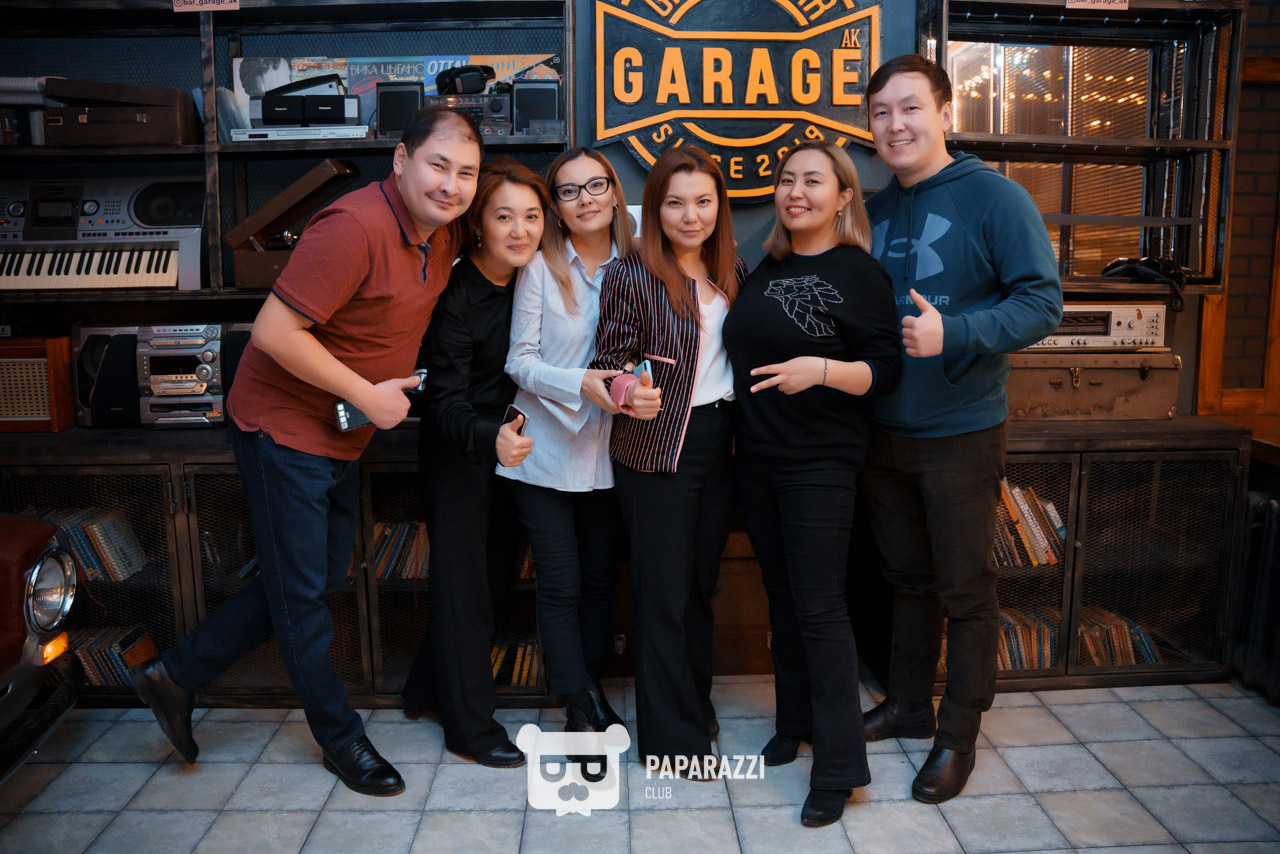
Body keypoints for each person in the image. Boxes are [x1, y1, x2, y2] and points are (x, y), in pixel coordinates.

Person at [127, 107, 483, 797]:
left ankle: (174, 675)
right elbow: (272, 332)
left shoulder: (441, 231)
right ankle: (341, 739)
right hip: (283, 426)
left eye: (466, 173)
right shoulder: (353, 227)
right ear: (401, 160)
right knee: (303, 597)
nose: (452, 184)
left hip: (343, 429)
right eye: (438, 165)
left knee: (311, 582)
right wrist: (369, 394)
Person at [859, 54, 1064, 803]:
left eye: (910, 107)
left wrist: (957, 333)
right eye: (881, 112)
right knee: (906, 581)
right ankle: (910, 705)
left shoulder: (996, 198)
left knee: (966, 590)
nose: (895, 124)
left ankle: (958, 733)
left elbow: (1042, 303)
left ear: (946, 113)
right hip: (882, 430)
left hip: (960, 430)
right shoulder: (871, 211)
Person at [722, 141, 903, 826]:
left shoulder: (860, 273)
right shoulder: (768, 266)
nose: (796, 192)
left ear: (844, 196)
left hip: (819, 464)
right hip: (757, 460)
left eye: (813, 181)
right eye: (787, 179)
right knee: (783, 599)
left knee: (821, 610)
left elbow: (885, 369)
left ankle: (839, 767)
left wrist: (819, 370)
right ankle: (793, 721)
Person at [590, 145, 744, 771]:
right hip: (657, 445)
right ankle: (667, 739)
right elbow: (609, 363)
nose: (690, 215)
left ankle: (694, 703)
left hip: (721, 442)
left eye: (703, 202)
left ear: (718, 207)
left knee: (700, 585)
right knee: (661, 593)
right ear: (655, 209)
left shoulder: (731, 267)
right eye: (676, 203)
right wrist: (629, 390)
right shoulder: (629, 274)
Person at [401, 157, 548, 767]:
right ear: (479, 225)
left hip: (515, 449)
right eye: (504, 217)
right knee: (465, 591)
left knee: (491, 578)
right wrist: (490, 438)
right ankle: (470, 729)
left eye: (532, 216)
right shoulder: (457, 293)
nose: (520, 230)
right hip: (462, 449)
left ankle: (425, 687)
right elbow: (443, 402)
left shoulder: (536, 279)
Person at [500, 148, 633, 732]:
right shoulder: (540, 268)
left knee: (602, 580)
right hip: (544, 451)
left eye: (596, 186)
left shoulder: (639, 265)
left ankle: (591, 686)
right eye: (569, 191)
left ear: (614, 193)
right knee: (561, 582)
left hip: (611, 452)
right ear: (556, 206)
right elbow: (519, 362)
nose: (585, 200)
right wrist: (580, 381)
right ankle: (580, 708)